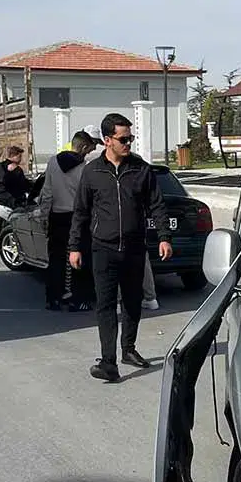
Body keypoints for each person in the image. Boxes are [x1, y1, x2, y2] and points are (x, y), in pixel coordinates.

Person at [69, 113, 173, 381]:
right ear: (107, 141)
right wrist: (75, 247)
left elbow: (157, 205)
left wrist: (164, 237)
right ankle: (108, 361)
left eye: (131, 138)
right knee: (105, 304)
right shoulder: (92, 172)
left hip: (134, 247)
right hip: (102, 248)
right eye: (123, 139)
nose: (129, 143)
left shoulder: (140, 169)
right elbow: (80, 212)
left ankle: (128, 349)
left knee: (132, 302)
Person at [39, 131, 96, 310]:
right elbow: (88, 197)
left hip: (56, 216)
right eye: (89, 149)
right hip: (77, 218)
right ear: (84, 147)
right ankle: (78, 299)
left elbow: (46, 193)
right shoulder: (85, 168)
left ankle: (53, 298)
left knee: (56, 259)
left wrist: (44, 216)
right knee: (79, 257)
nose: (88, 153)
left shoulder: (52, 162)